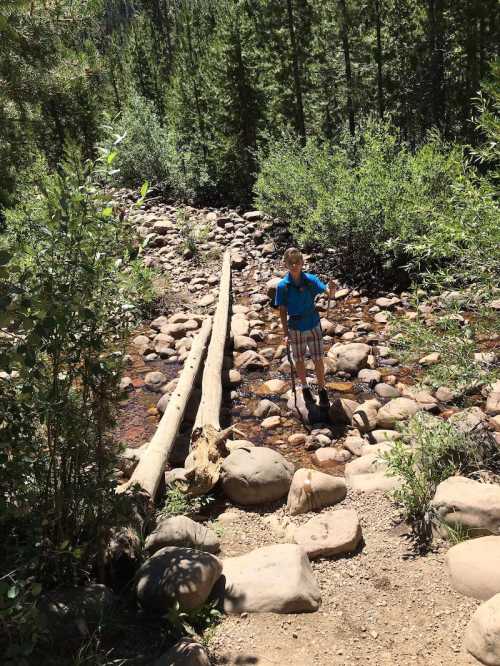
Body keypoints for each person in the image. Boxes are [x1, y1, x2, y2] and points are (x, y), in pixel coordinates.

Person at [275, 247, 334, 406]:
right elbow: (282, 311)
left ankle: (322, 389)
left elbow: (327, 292)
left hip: (313, 323)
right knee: (299, 359)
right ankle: (305, 387)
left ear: (302, 262)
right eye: (290, 263)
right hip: (294, 326)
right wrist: (285, 333)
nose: (294, 265)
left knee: (318, 359)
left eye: (297, 262)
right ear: (286, 264)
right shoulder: (282, 286)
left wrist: (331, 289)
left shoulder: (310, 280)